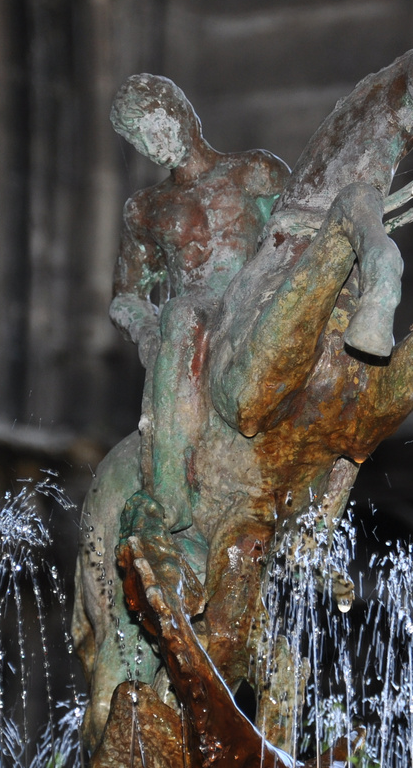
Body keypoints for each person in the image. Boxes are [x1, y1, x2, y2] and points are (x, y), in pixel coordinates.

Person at [109, 74, 289, 533]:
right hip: (193, 328)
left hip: (256, 307)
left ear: (181, 113)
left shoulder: (254, 171)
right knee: (183, 313)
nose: (151, 144)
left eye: (154, 126)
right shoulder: (146, 209)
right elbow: (127, 296)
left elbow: (298, 242)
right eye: (137, 139)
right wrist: (148, 332)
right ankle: (168, 498)